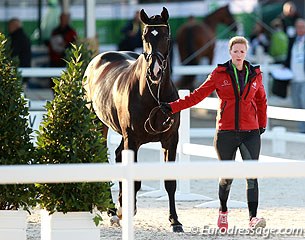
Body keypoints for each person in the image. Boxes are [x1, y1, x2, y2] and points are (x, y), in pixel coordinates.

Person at [160, 36, 267, 231]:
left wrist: (262, 123)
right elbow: (198, 95)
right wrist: (174, 107)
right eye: (235, 51)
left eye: (242, 51)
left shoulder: (255, 75)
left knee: (252, 175)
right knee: (227, 177)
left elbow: (261, 101)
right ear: (230, 52)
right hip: (225, 132)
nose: (239, 54)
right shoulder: (219, 74)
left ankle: (253, 217)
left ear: (246, 53)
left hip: (250, 132)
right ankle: (223, 211)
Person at [284, 18, 305, 133]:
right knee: (297, 104)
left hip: (304, 78)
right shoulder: (292, 40)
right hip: (294, 77)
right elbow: (288, 56)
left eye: (302, 27)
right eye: (298, 27)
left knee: (304, 103)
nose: (300, 29)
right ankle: (301, 130)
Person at [8, 18, 32, 85]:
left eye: (10, 26)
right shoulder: (23, 37)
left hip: (19, 71)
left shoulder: (16, 38)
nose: (8, 28)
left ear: (14, 26)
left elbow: (12, 54)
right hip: (24, 70)